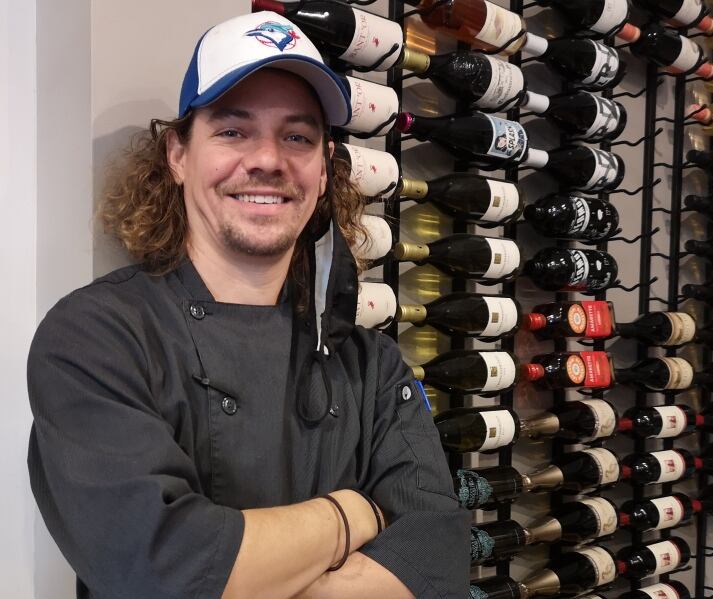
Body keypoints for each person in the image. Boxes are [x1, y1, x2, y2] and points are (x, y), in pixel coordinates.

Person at [27, 11, 470, 599]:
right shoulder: (95, 337)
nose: (268, 160)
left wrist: (246, 570)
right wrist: (350, 514)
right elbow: (159, 571)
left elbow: (435, 561)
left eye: (297, 136)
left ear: (321, 169)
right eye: (233, 131)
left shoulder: (371, 364)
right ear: (178, 154)